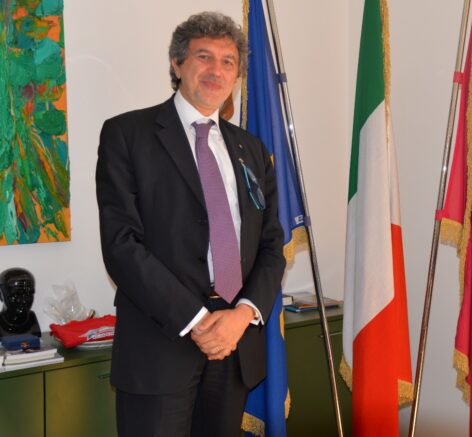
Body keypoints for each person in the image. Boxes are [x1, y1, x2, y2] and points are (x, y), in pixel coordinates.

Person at [95, 11, 286, 437]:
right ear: (177, 63)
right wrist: (197, 319)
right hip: (160, 346)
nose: (217, 70)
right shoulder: (127, 135)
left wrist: (242, 314)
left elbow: (271, 244)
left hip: (233, 346)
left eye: (228, 61)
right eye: (204, 57)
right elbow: (122, 244)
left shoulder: (251, 150)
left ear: (237, 75)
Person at [0, 267, 41, 337]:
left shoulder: (32, 319)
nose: (24, 300)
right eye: (17, 295)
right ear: (1, 295)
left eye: (29, 294)